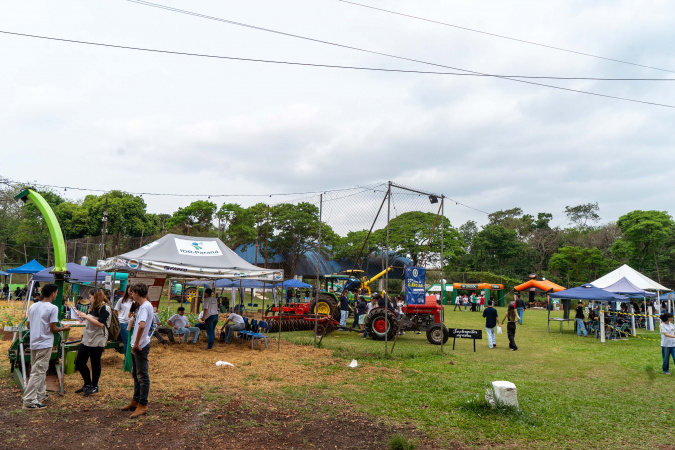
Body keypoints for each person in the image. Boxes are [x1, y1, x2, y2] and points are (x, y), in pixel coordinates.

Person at [22, 284, 70, 409]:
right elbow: (53, 328)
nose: (57, 294)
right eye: (57, 292)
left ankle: (40, 394)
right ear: (53, 293)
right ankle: (29, 401)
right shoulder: (53, 308)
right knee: (38, 371)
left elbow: (28, 325)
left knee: (37, 370)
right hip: (44, 342)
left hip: (34, 342)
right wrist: (64, 329)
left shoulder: (33, 306)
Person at [121, 283, 153, 417]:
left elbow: (141, 326)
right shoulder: (143, 306)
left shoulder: (145, 307)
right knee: (136, 373)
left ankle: (143, 404)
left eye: (132, 292)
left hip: (140, 345)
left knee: (142, 375)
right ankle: (136, 400)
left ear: (138, 293)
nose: (131, 294)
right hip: (137, 344)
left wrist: (136, 344)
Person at [75, 289, 111, 397]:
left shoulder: (105, 307)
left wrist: (86, 316)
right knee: (79, 362)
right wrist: (82, 318)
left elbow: (101, 323)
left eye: (91, 297)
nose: (89, 299)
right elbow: (91, 319)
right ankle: (87, 383)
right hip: (87, 338)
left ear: (96, 297)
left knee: (95, 362)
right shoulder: (93, 306)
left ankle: (94, 386)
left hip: (97, 338)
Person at [114, 287, 133, 355]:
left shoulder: (136, 301)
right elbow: (116, 310)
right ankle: (127, 358)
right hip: (123, 322)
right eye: (130, 291)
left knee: (132, 341)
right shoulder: (121, 300)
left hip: (133, 323)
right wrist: (118, 319)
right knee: (127, 341)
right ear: (127, 291)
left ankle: (131, 358)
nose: (131, 292)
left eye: (132, 291)